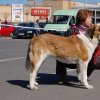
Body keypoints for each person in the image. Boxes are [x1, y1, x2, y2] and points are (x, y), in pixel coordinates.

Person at [56, 9, 95, 85]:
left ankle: (84, 77)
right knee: (59, 52)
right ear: (82, 19)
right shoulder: (71, 30)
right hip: (70, 59)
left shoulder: (93, 30)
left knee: (94, 59)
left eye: (91, 18)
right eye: (89, 18)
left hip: (84, 59)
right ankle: (62, 76)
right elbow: (63, 46)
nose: (91, 19)